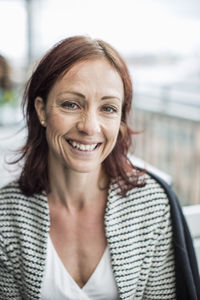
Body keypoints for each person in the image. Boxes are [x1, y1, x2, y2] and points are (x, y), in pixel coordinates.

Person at [0, 36, 199, 300]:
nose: (90, 126)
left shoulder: (152, 204)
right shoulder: (6, 214)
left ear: (120, 120)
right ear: (42, 110)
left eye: (108, 108)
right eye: (71, 104)